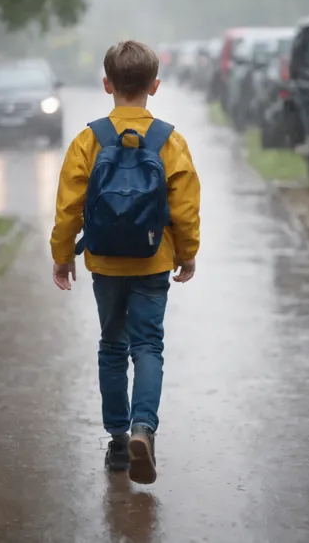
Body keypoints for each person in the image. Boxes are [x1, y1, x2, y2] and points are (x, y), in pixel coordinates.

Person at [50, 40, 201, 485]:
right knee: (148, 346)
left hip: (105, 262)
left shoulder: (89, 138)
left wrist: (63, 257)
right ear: (154, 86)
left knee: (112, 345)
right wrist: (187, 254)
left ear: (106, 84)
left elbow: (68, 207)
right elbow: (186, 207)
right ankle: (142, 429)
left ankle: (118, 444)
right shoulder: (169, 140)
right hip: (154, 260)